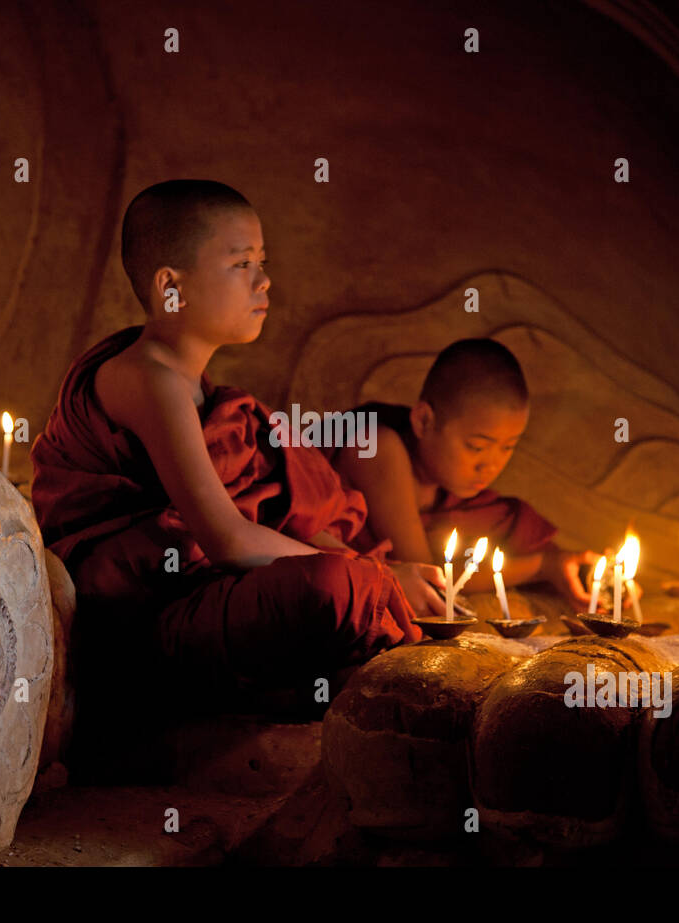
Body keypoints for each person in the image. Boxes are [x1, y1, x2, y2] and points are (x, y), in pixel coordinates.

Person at [30, 180, 429, 720]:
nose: (264, 281)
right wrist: (374, 579)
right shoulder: (148, 379)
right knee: (333, 587)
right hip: (143, 619)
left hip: (206, 594)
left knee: (348, 575)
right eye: (241, 264)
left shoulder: (213, 397)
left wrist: (382, 568)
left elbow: (275, 512)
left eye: (261, 261)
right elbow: (229, 540)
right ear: (171, 286)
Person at [330, 338, 607, 612]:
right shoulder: (374, 445)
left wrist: (577, 570)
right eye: (476, 447)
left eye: (508, 447)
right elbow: (429, 576)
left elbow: (511, 546)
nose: (491, 465)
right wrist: (541, 566)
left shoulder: (450, 485)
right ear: (423, 421)